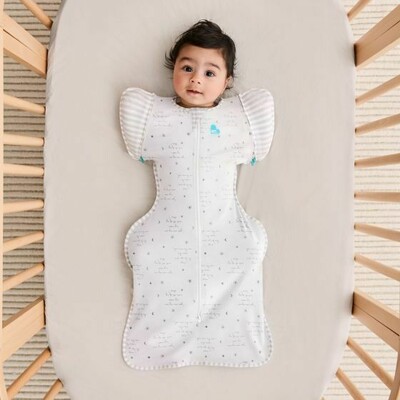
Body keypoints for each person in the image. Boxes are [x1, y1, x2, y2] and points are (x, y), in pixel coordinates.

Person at [119, 19, 275, 370]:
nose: (196, 80)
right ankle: (165, 340)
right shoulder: (154, 116)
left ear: (227, 81)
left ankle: (226, 338)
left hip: (225, 226)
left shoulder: (239, 119)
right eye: (187, 68)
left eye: (209, 72)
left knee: (246, 251)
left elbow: (260, 128)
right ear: (173, 69)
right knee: (149, 254)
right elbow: (134, 124)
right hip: (169, 228)